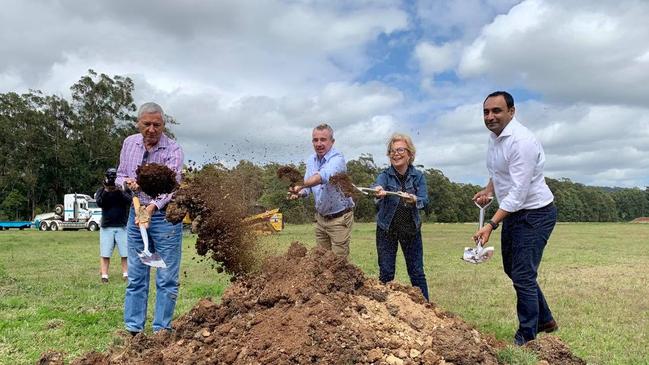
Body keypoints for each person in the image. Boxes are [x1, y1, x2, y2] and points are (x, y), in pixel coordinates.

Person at [472, 91, 558, 346]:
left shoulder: (522, 141)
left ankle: (527, 336)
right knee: (514, 270)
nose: (490, 116)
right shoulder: (494, 139)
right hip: (515, 213)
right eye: (486, 112)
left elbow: (518, 193)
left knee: (522, 274)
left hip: (536, 213)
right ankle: (545, 320)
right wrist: (489, 190)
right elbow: (500, 173)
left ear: (512, 111)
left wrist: (490, 224)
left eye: (496, 111)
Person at [115, 102, 184, 335]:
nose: (152, 129)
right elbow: (120, 175)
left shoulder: (173, 149)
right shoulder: (129, 143)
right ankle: (133, 330)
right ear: (139, 123)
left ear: (164, 124)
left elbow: (173, 187)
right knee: (136, 276)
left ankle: (161, 331)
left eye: (157, 124)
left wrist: (152, 208)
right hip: (136, 215)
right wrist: (126, 183)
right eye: (147, 124)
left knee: (166, 278)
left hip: (165, 218)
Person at [372, 133, 429, 301]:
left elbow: (425, 200)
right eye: (392, 151)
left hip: (411, 230)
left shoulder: (418, 176)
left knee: (417, 273)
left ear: (410, 154)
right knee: (386, 272)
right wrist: (378, 191)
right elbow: (376, 186)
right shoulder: (384, 174)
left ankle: (426, 308)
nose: (395, 154)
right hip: (386, 230)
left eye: (400, 150)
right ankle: (382, 311)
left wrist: (413, 200)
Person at [288, 123, 354, 256]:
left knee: (338, 264)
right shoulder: (311, 161)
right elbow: (308, 188)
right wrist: (299, 193)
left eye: (323, 139)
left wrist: (301, 185)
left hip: (339, 219)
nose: (319, 143)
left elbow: (322, 177)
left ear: (332, 141)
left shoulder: (337, 159)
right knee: (321, 260)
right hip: (321, 219)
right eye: (315, 140)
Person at [95, 167, 132, 283]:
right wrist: (107, 190)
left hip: (122, 225)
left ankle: (126, 274)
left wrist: (119, 190)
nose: (112, 179)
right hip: (106, 226)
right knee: (105, 253)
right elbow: (100, 203)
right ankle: (104, 275)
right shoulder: (102, 190)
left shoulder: (124, 189)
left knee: (125, 253)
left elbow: (129, 200)